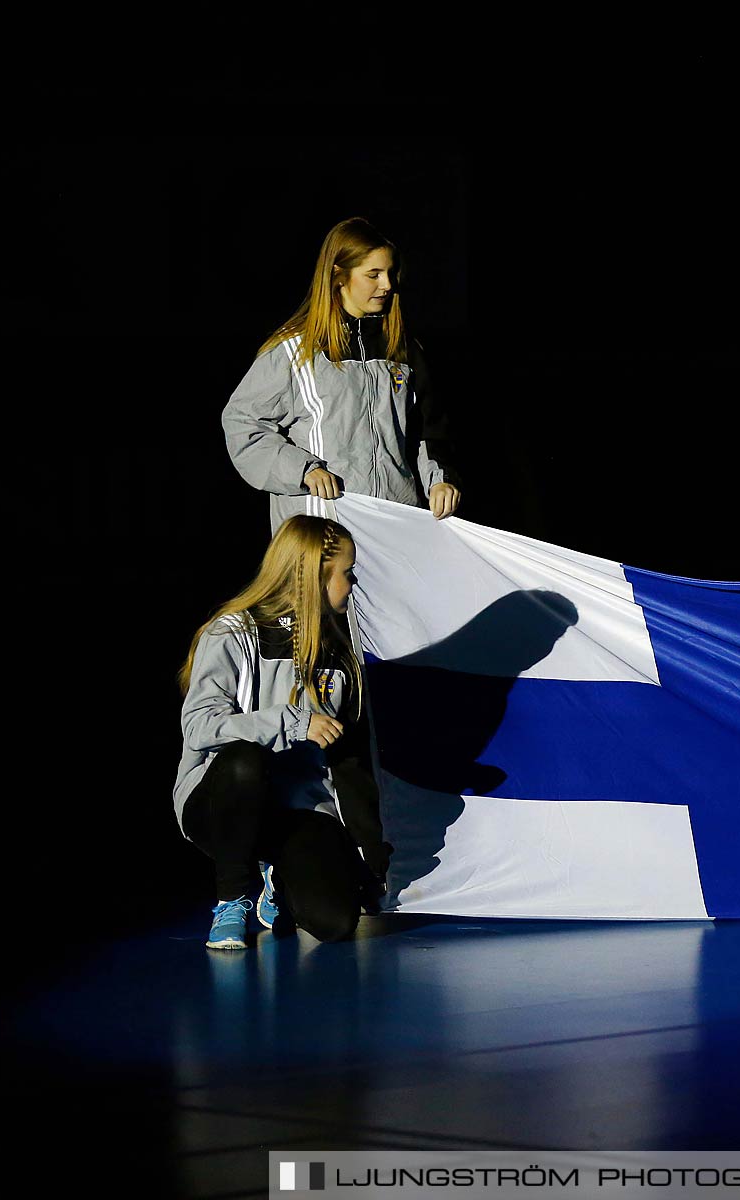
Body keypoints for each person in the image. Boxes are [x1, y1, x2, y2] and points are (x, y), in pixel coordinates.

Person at [175, 516, 388, 948]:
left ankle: (280, 877)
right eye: (347, 573)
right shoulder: (233, 631)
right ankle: (232, 899)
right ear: (314, 576)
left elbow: (348, 760)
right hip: (221, 800)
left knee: (335, 923)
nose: (353, 583)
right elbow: (199, 727)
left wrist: (368, 852)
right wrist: (292, 722)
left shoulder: (339, 648)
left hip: (296, 806)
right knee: (244, 760)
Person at [223, 218, 463, 532]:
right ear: (339, 275)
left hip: (395, 529)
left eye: (391, 273)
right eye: (373, 274)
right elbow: (243, 423)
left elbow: (429, 433)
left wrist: (440, 482)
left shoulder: (404, 350)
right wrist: (303, 470)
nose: (387, 285)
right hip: (323, 533)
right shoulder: (296, 350)